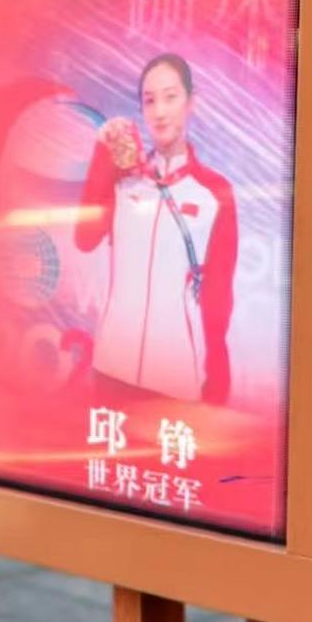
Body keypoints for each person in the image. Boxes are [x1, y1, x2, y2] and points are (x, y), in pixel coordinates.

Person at [74, 52, 237, 404]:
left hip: (174, 380)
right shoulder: (124, 182)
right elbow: (84, 238)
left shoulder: (213, 193)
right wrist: (102, 157)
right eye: (149, 101)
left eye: (170, 97)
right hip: (111, 371)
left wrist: (217, 385)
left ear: (191, 103)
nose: (160, 111)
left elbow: (218, 298)